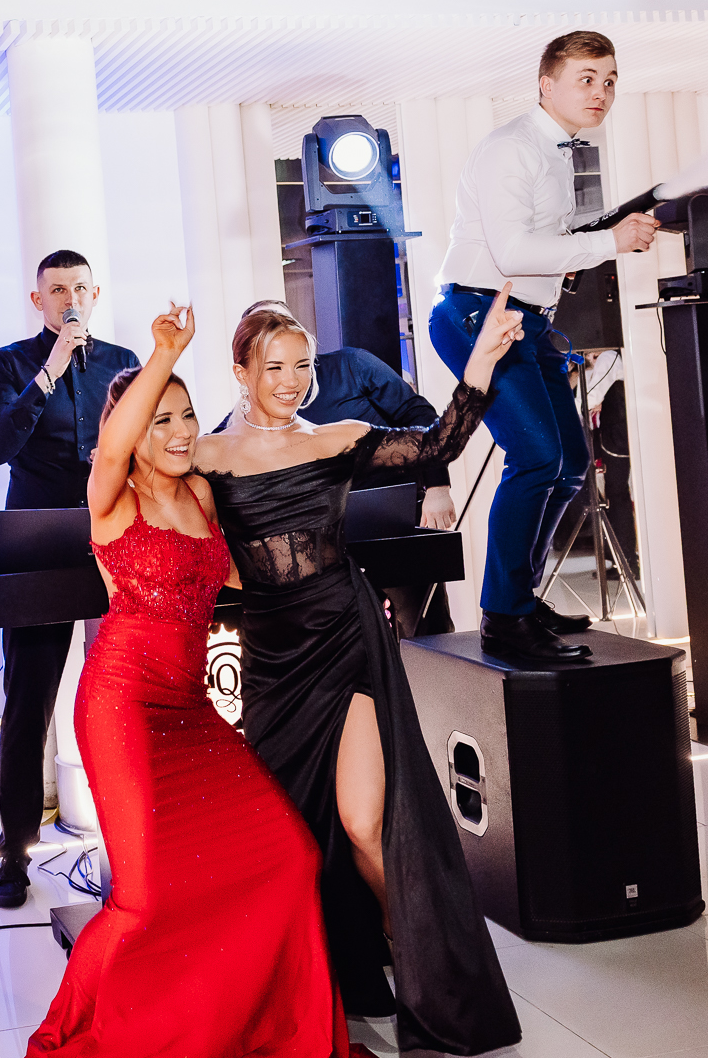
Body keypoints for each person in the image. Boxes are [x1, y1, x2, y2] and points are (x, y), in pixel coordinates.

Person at [194, 297, 524, 1056]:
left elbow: (439, 440)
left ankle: (420, 964)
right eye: (273, 366)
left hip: (347, 639)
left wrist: (480, 362)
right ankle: (302, 985)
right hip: (273, 661)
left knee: (364, 823)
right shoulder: (207, 457)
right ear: (241, 370)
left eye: (301, 365)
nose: (290, 380)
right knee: (283, 836)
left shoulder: (336, 437)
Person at [26, 304, 353, 1058]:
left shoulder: (202, 494)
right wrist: (165, 353)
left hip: (191, 709)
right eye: (160, 418)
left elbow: (249, 571)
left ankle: (249, 1024)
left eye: (187, 415)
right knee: (146, 899)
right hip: (122, 710)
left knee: (288, 856)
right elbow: (111, 447)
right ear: (132, 431)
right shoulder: (112, 501)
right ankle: (122, 1028)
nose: (179, 431)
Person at [428, 30, 658, 664]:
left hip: (523, 320)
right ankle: (503, 617)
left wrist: (603, 231)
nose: (601, 91)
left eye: (609, 80)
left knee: (572, 463)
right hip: (479, 314)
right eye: (586, 78)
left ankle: (520, 600)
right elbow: (512, 252)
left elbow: (546, 241)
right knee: (535, 458)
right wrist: (610, 241)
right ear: (545, 84)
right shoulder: (513, 148)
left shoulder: (557, 153)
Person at [0, 248, 139, 909]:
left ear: (95, 294)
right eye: (57, 290)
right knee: (29, 701)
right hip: (37, 545)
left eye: (79, 288)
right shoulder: (9, 363)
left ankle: (136, 841)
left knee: (130, 691)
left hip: (112, 539)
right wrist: (49, 371)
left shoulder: (122, 362)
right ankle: (15, 853)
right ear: (38, 300)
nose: (70, 299)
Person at [212, 299, 458, 638]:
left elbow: (419, 417)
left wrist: (438, 486)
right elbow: (213, 468)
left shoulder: (353, 365)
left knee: (425, 632)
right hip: (321, 547)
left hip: (391, 522)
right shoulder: (242, 419)